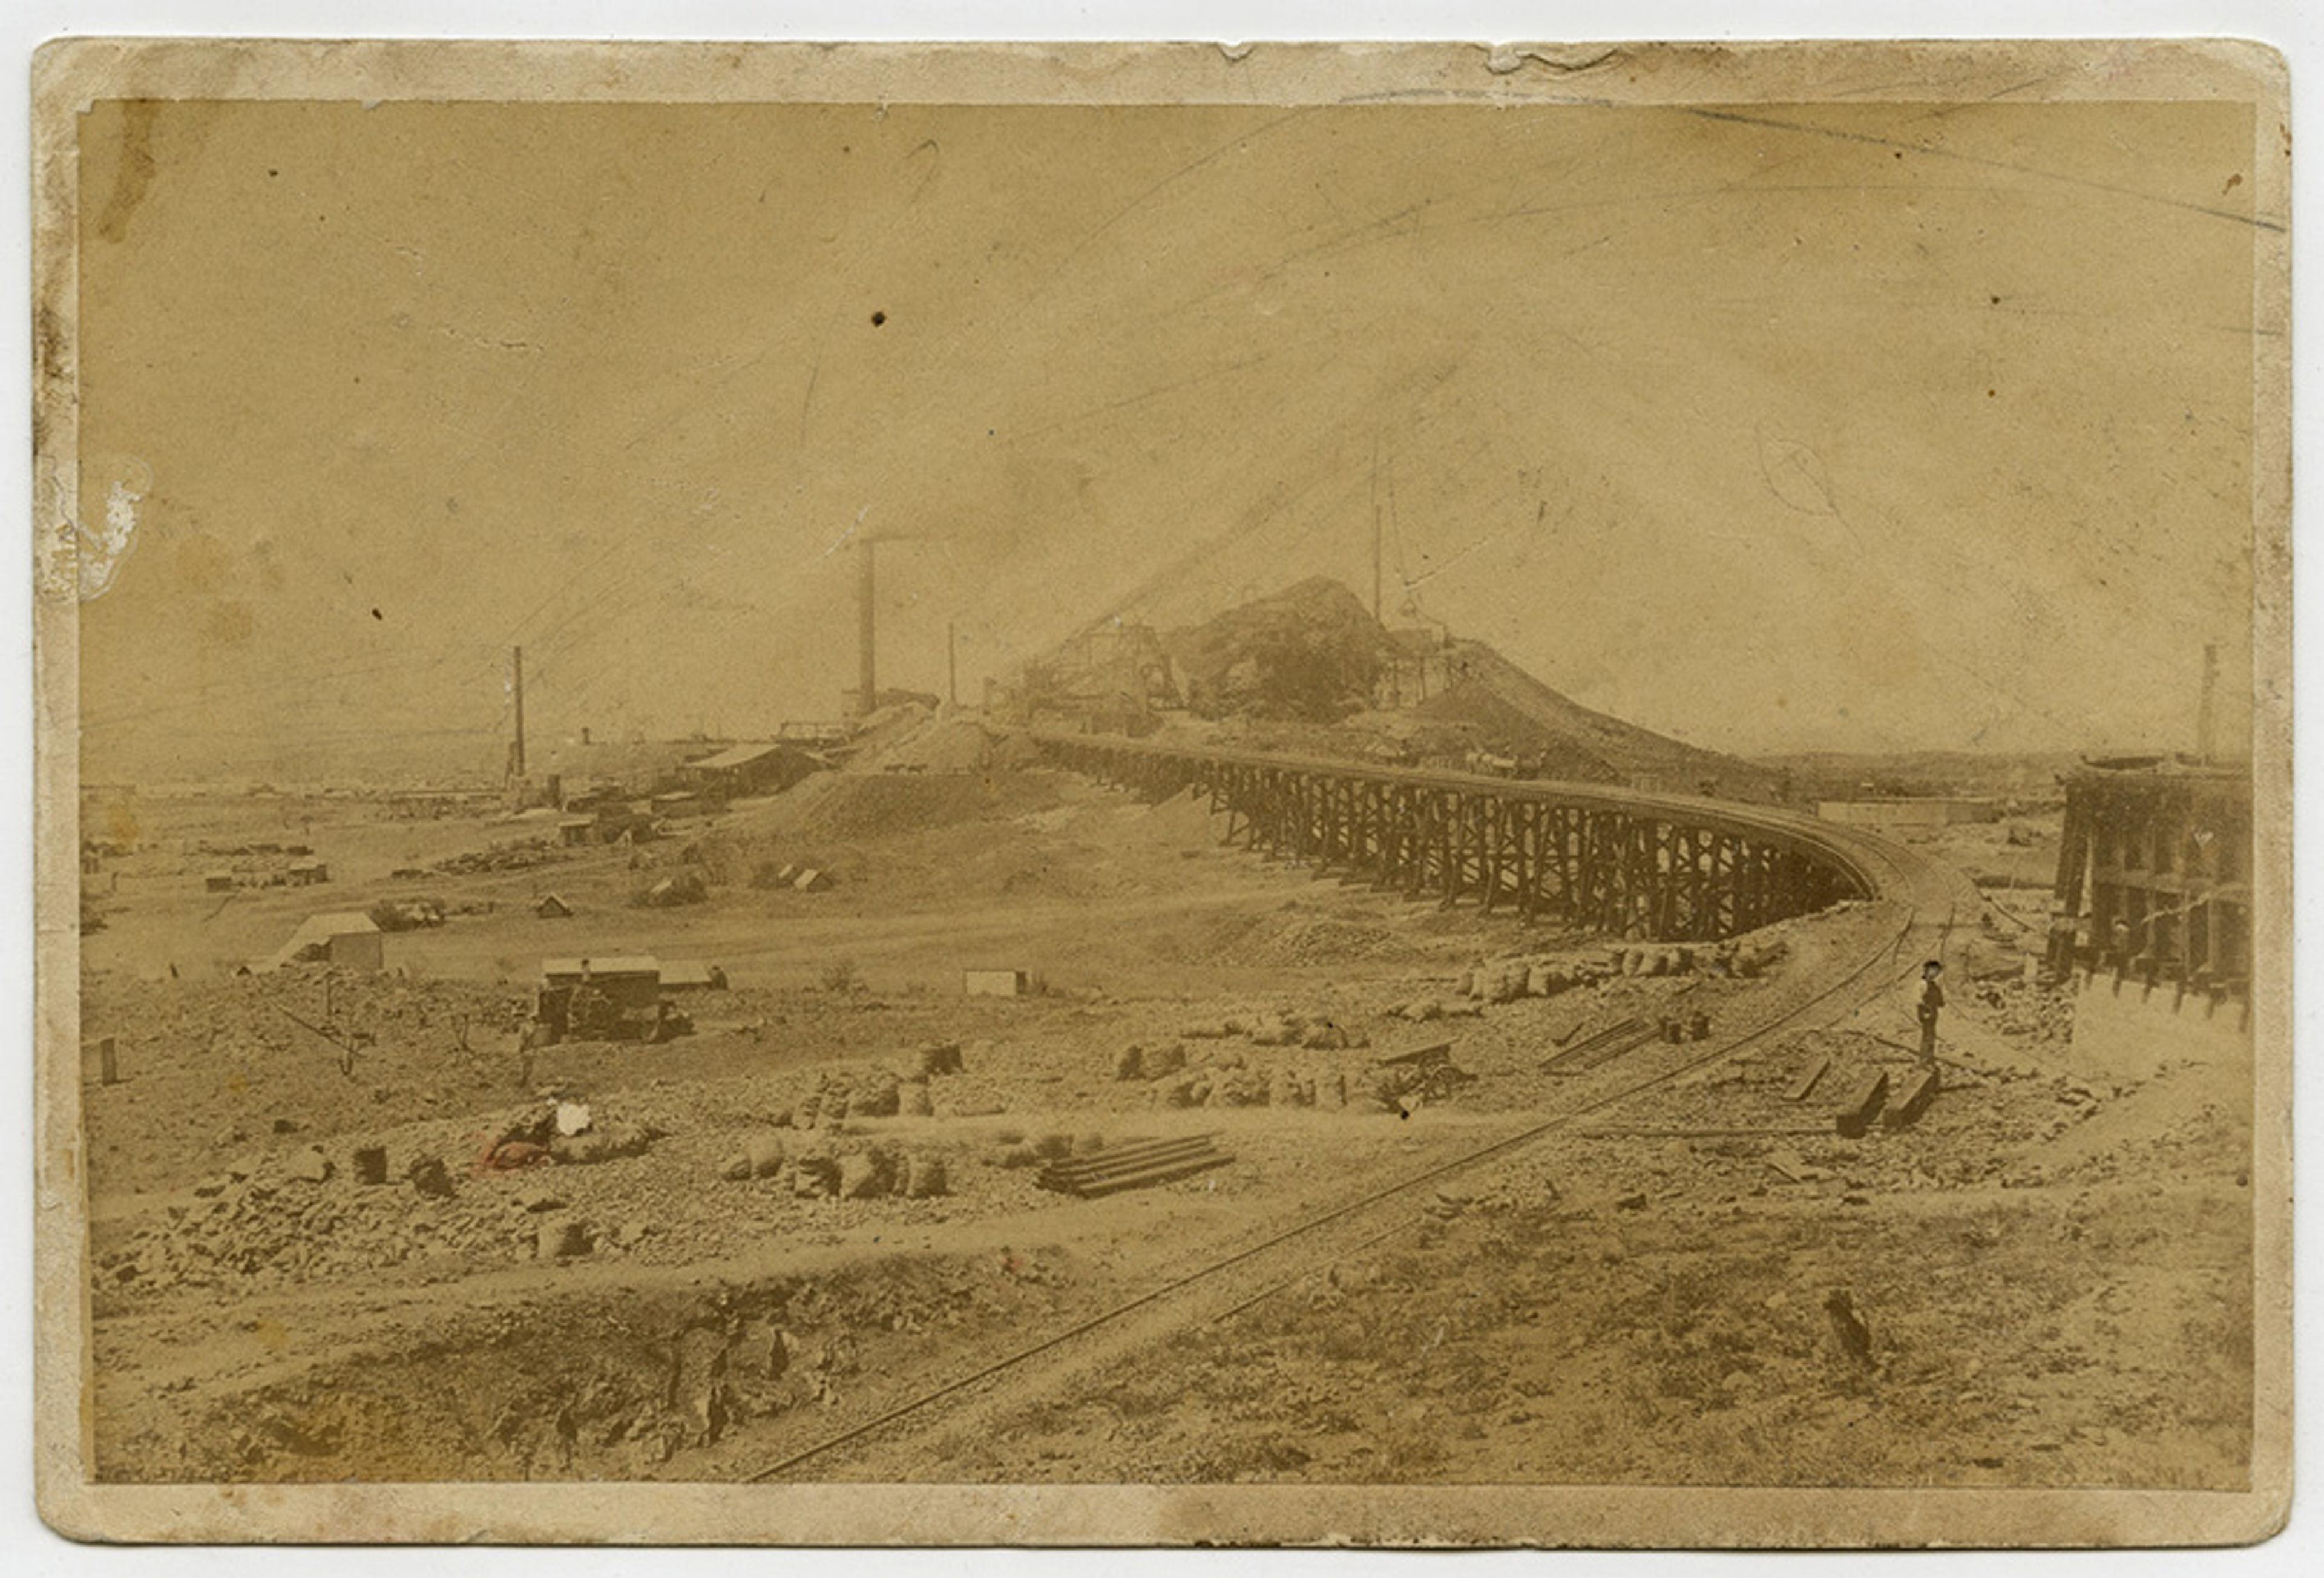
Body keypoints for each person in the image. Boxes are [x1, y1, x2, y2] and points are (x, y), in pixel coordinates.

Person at [1916, 959, 1946, 1064]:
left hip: (1933, 1012)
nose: (1935, 973)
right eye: (1933, 971)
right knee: (1927, 1035)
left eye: (1937, 971)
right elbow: (1919, 1000)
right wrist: (1925, 1011)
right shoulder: (1923, 984)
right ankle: (1924, 1059)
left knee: (1931, 1035)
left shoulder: (1934, 985)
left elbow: (1940, 1002)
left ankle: (1929, 1057)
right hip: (1926, 1011)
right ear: (1926, 971)